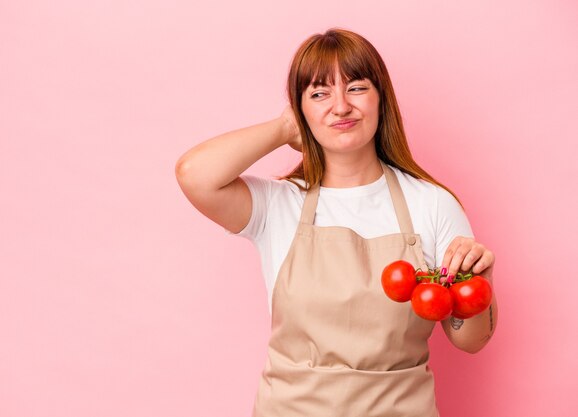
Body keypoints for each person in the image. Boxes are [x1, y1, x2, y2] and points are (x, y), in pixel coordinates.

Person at [175, 27, 498, 417]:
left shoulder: (431, 204)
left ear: (382, 99)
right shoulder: (279, 204)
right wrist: (283, 129)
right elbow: (195, 173)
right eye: (319, 93)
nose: (341, 106)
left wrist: (479, 281)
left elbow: (470, 341)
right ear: (300, 110)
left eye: (357, 88)